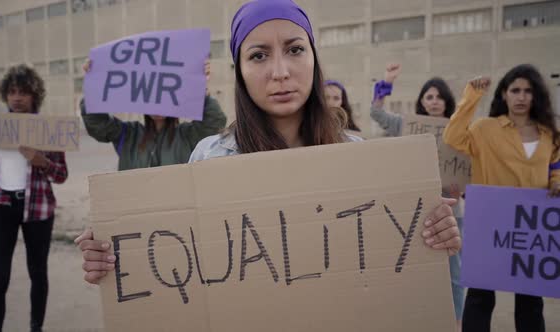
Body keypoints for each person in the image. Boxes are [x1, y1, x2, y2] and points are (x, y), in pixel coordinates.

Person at [75, 1, 462, 308]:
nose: (280, 71)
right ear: (240, 71)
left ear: (313, 57)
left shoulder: (357, 157)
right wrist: (115, 257)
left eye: (294, 49)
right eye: (259, 55)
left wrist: (435, 237)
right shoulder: (211, 158)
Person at [444, 64, 560, 332]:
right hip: (490, 223)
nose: (521, 97)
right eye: (515, 90)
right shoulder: (485, 129)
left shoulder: (549, 134)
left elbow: (556, 165)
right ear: (504, 95)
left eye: (527, 91)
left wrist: (556, 183)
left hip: (531, 228)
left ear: (536, 95)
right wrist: (472, 96)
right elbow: (452, 137)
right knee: (481, 297)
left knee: (531, 302)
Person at [0, 65, 68, 332]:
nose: (17, 98)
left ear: (34, 95)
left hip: (38, 209)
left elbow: (61, 175)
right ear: (5, 95)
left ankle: (36, 327)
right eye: (12, 92)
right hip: (1, 206)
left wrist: (42, 161)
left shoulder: (48, 129)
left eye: (23, 92)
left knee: (38, 274)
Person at [369, 63, 465, 329]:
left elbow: (471, 170)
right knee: (416, 272)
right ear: (422, 101)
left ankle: (456, 323)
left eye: (439, 97)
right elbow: (376, 113)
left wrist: (462, 188)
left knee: (455, 275)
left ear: (447, 101)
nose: (434, 102)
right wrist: (385, 83)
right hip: (414, 215)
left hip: (452, 212)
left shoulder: (460, 132)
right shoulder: (407, 126)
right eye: (429, 96)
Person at [80, 60, 227, 170]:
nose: (158, 106)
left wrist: (199, 90)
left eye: (163, 97)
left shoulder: (187, 135)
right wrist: (94, 87)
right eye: (152, 97)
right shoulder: (128, 134)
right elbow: (97, 124)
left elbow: (214, 122)